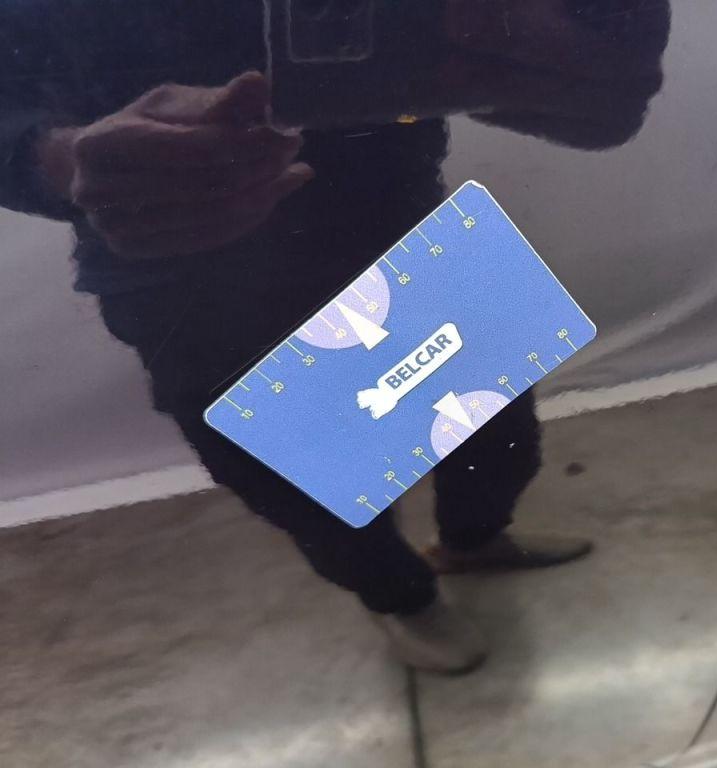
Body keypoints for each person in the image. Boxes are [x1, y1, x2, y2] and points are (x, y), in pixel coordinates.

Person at [1, 0, 669, 673]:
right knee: (304, 485)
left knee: (499, 432)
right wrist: (56, 158)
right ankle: (401, 598)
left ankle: (473, 542)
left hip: (387, 207)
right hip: (185, 269)